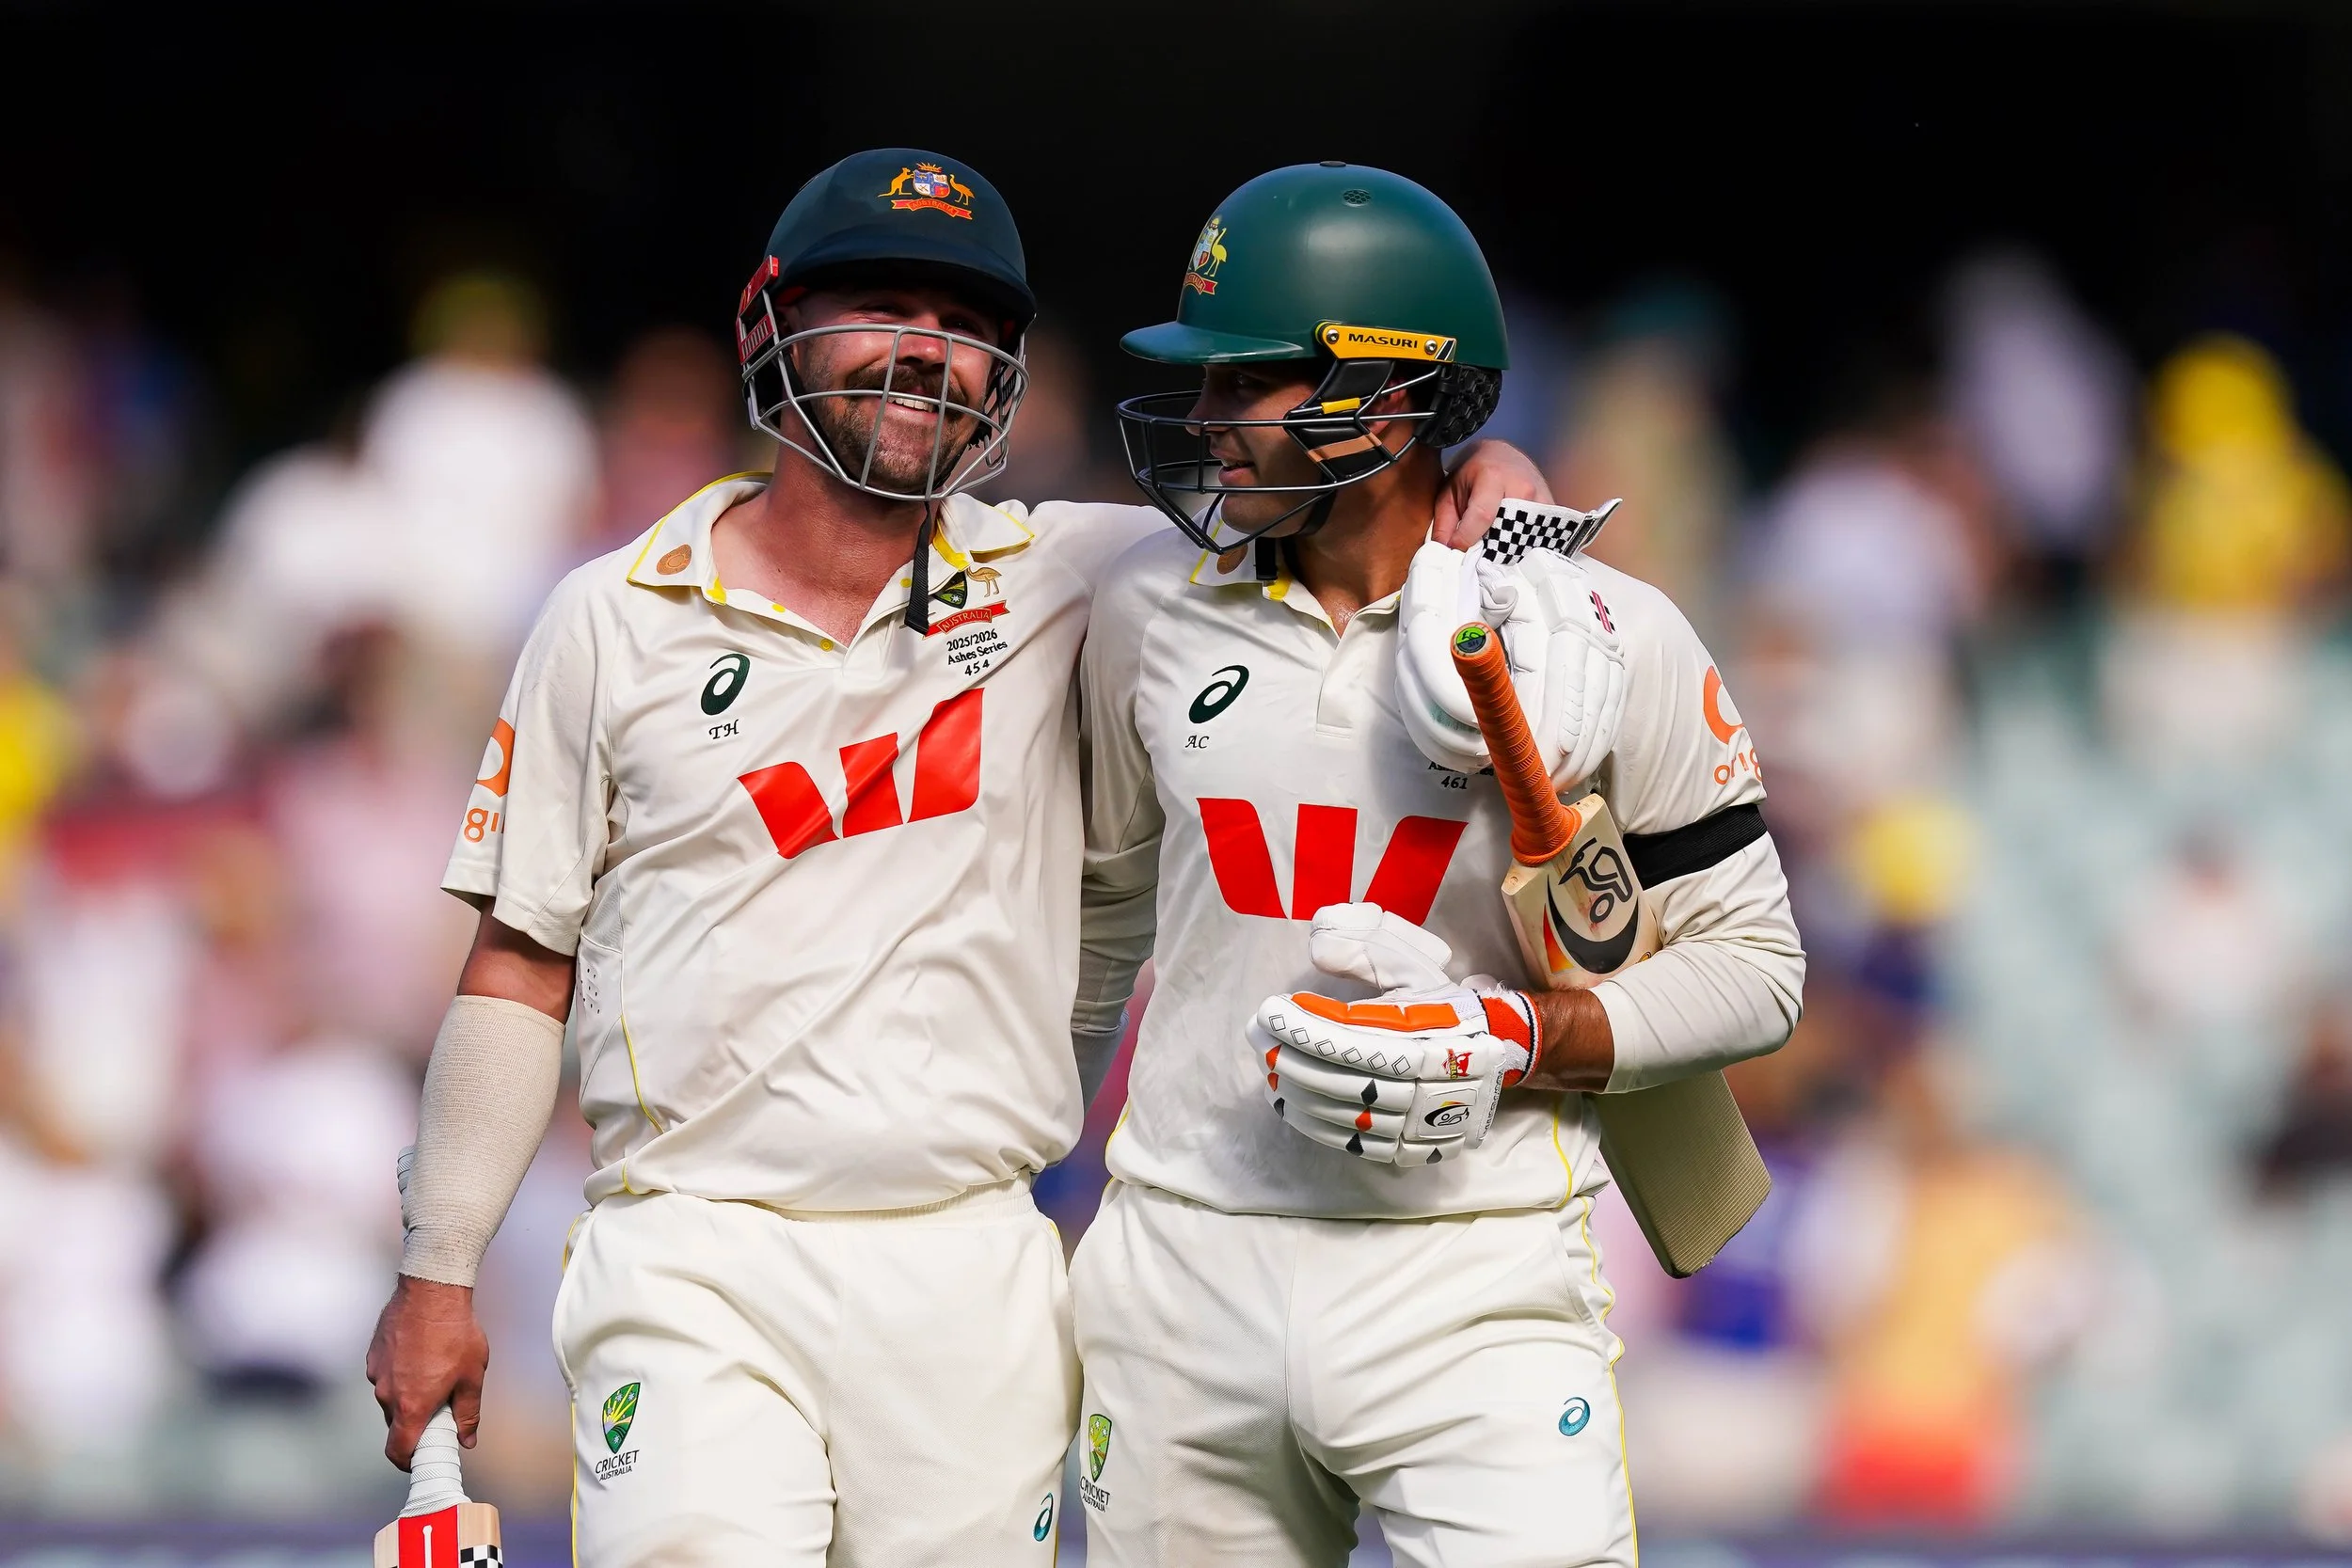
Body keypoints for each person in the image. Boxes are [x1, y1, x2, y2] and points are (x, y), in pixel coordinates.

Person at [361, 147, 1550, 1567]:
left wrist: (1488, 465)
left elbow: (1353, 503)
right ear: (768, 321)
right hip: (693, 1242)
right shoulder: (612, 617)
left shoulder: (1086, 581)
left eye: (969, 323)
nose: (927, 350)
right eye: (882, 305)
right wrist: (438, 1269)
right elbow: (519, 963)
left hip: (973, 1264)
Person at [1073, 162, 1807, 1566]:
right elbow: (1103, 917)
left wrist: (1515, 1033)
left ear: (1386, 398)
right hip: (1183, 1261)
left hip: (1474, 1274)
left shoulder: (1606, 635)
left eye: (1246, 379)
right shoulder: (1138, 603)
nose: (1205, 417)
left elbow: (1756, 972)